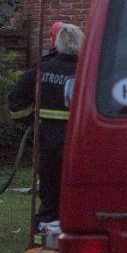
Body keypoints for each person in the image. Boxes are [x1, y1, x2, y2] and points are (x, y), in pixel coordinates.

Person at [8, 22, 82, 227]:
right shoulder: (87, 71)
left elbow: (16, 100)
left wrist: (30, 128)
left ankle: (43, 241)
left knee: (49, 196)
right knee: (77, 196)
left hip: (48, 143)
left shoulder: (42, 69)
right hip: (79, 145)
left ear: (57, 43)